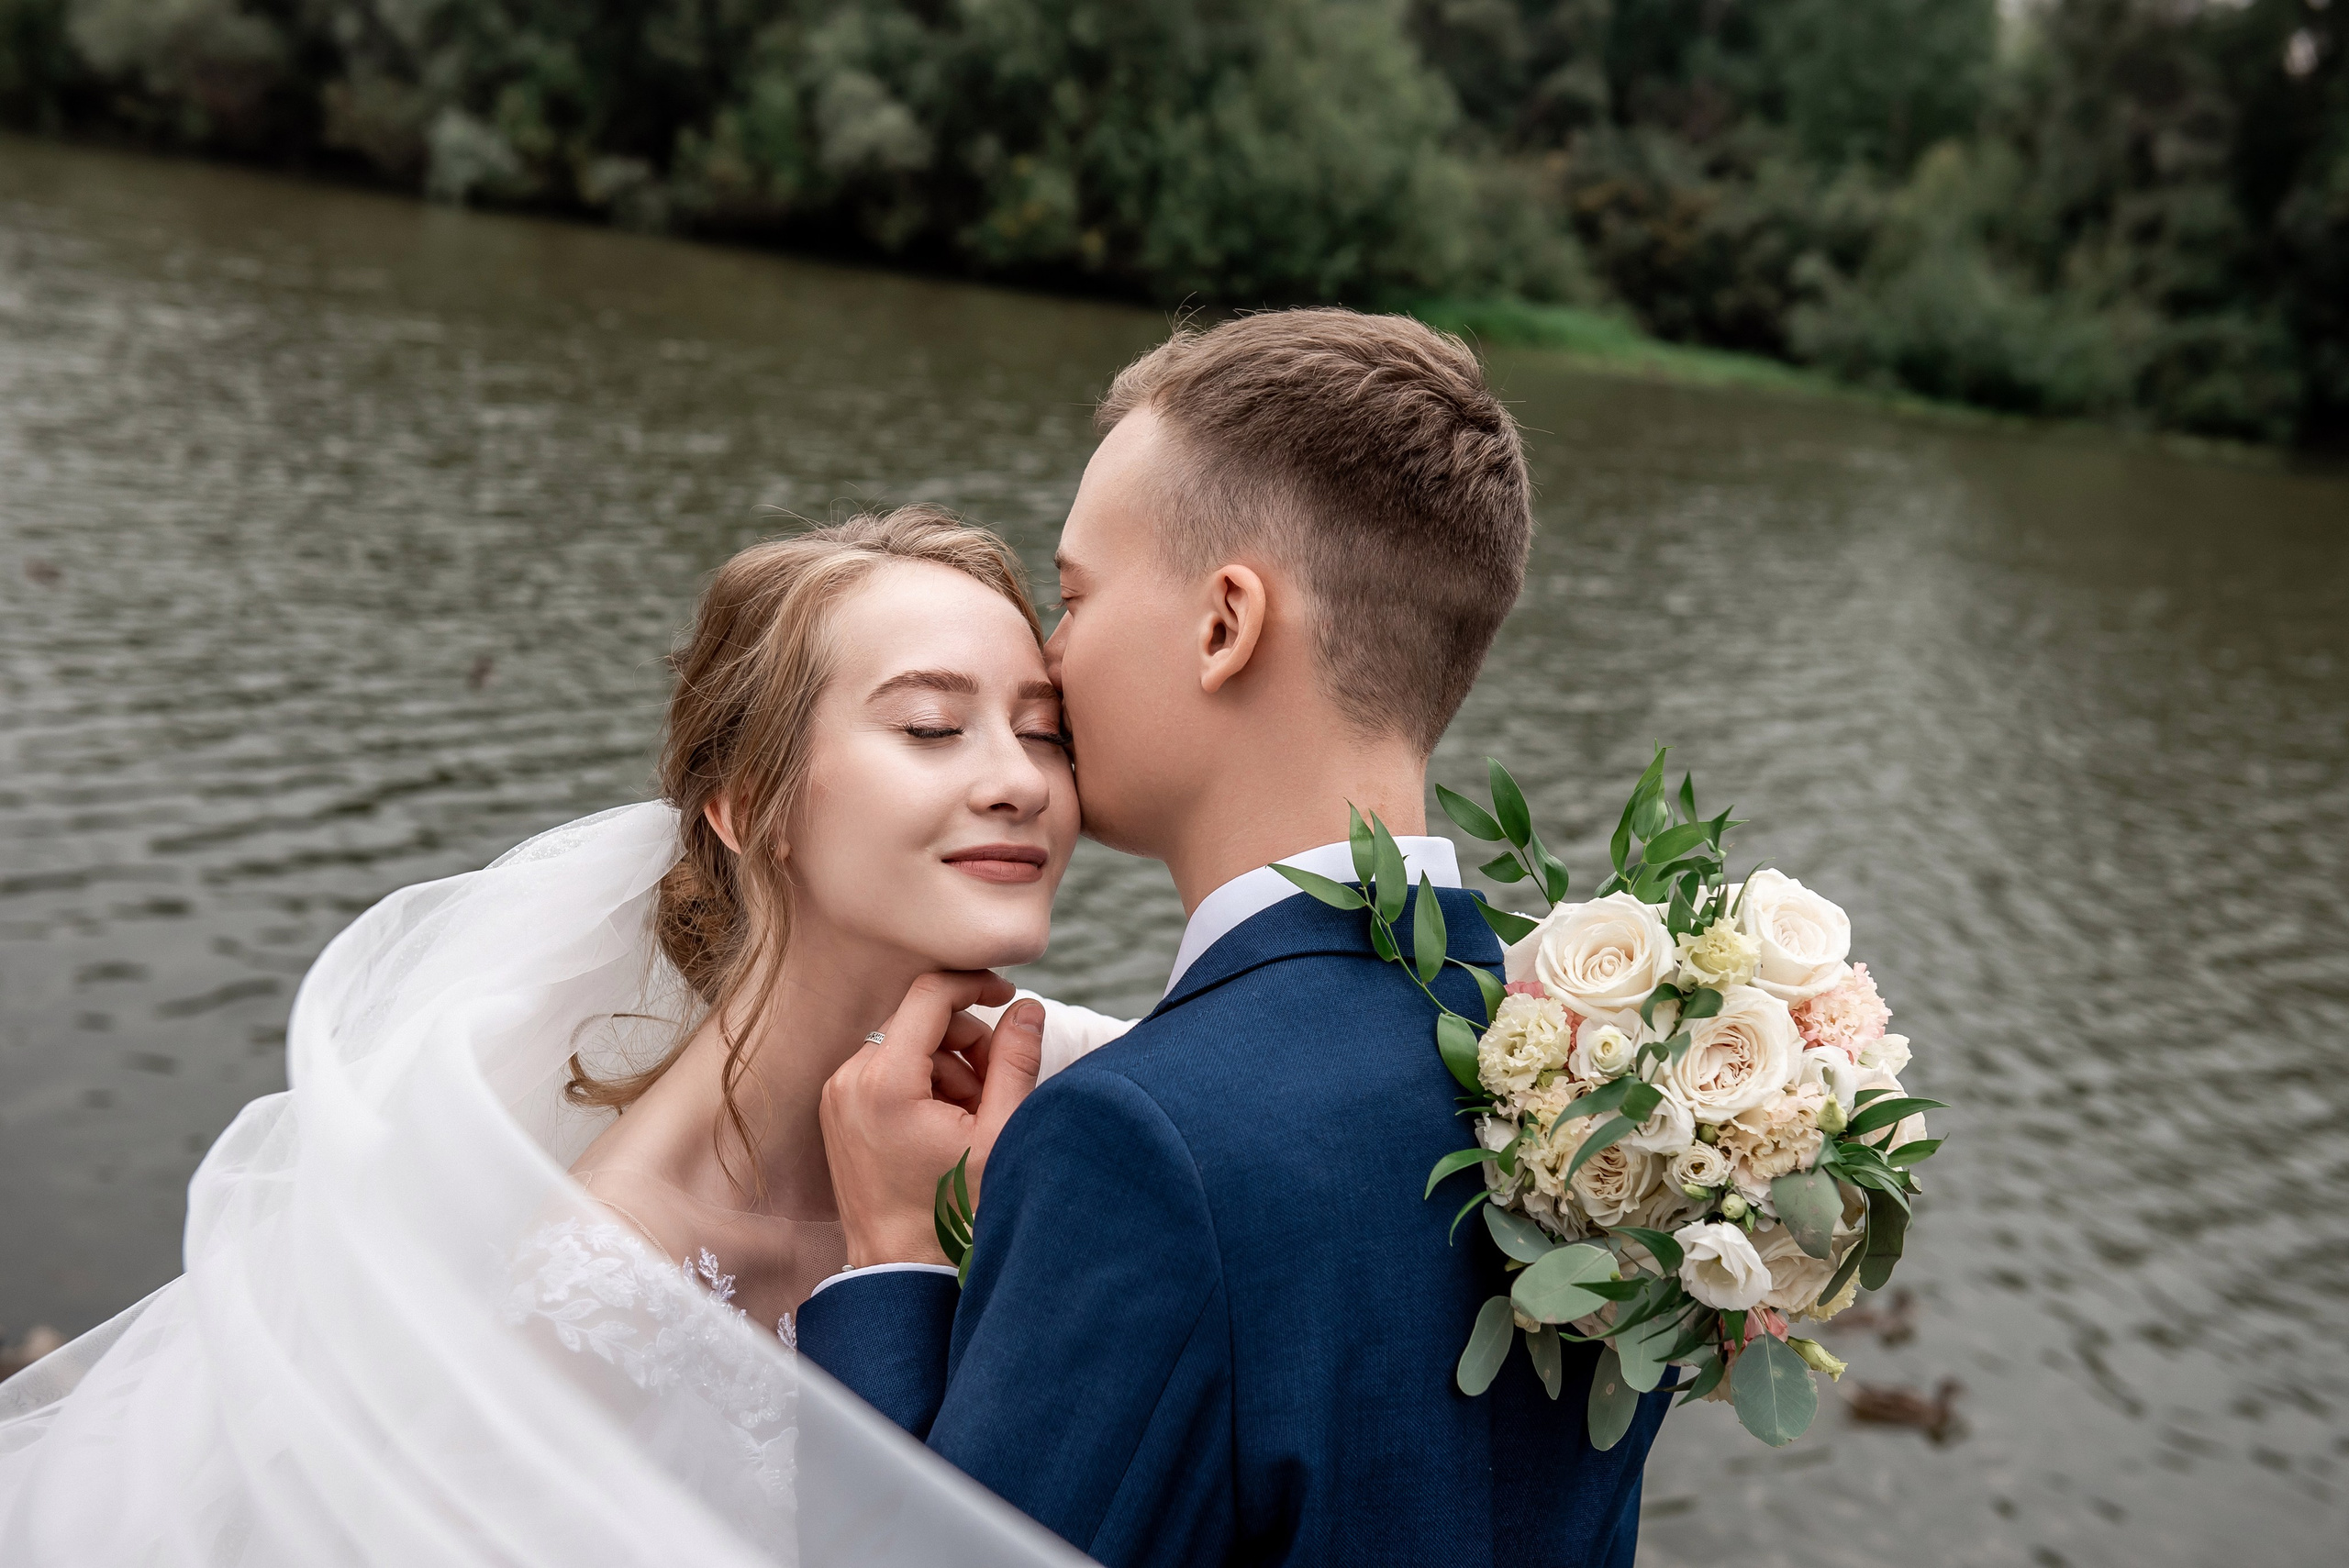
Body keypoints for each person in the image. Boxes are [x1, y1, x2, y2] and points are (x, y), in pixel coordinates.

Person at [0, 507, 1111, 1568]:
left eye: (1042, 731)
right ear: (745, 804)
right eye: (929, 726)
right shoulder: (603, 1279)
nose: (1018, 780)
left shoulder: (1046, 1101)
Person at [803, 310, 1671, 1567]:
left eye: (1074, 595)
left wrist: (891, 1258)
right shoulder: (1612, 1106)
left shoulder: (1136, 1144)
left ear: (1225, 624)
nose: (1047, 662)